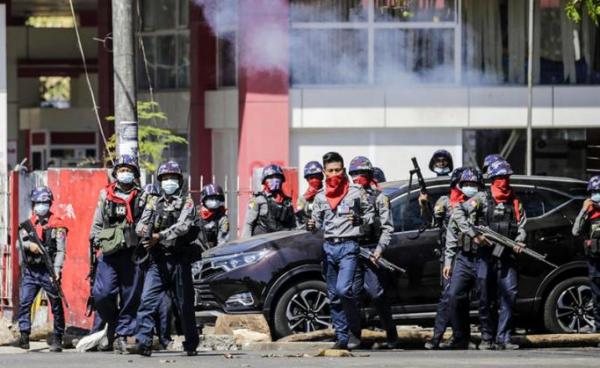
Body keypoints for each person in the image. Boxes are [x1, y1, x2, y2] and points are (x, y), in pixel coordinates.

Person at [449, 161, 526, 350]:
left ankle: (504, 338)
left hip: (507, 256)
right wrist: (473, 234)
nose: (504, 181)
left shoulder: (515, 200)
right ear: (492, 179)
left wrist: (520, 240)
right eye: (500, 178)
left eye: (507, 177)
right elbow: (458, 212)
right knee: (485, 297)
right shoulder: (481, 198)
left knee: (510, 295)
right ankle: (487, 337)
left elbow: (522, 225)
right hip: (486, 256)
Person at [128, 161, 199, 357]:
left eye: (172, 178)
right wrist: (145, 231)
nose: (169, 182)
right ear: (160, 181)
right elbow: (140, 225)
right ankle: (144, 342)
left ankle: (191, 343)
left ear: (179, 180)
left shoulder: (187, 202)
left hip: (179, 260)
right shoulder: (153, 202)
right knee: (146, 301)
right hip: (157, 261)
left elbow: (183, 226)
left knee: (184, 304)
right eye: (165, 178)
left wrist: (159, 236)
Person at [307, 152, 374, 350]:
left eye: (338, 170)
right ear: (324, 172)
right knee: (334, 294)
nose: (334, 174)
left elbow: (371, 216)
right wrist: (311, 225)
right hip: (329, 247)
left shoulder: (355, 192)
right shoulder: (320, 197)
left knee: (345, 290)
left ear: (343, 170)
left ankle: (355, 330)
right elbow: (318, 223)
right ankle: (342, 336)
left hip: (349, 246)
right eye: (330, 171)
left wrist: (360, 220)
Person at [89, 154, 143, 352]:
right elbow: (97, 222)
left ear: (135, 173)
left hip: (132, 253)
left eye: (129, 170)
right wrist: (95, 243)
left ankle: (122, 334)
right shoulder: (105, 195)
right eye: (122, 170)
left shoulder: (142, 196)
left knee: (130, 296)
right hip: (109, 253)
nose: (125, 173)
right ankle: (113, 323)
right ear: (116, 173)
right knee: (101, 294)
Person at [348, 156, 397, 348]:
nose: (355, 178)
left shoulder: (380, 197)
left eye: (359, 174)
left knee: (377, 293)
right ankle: (354, 335)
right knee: (351, 293)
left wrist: (379, 250)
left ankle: (390, 332)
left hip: (370, 250)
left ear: (368, 174)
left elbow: (387, 228)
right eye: (352, 174)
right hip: (352, 248)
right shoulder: (347, 196)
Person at [17, 187, 67, 352]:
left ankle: (58, 336)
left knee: (56, 304)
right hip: (31, 271)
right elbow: (18, 243)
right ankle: (24, 335)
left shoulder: (57, 225)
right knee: (25, 302)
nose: (41, 206)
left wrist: (57, 270)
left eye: (45, 202)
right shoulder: (29, 224)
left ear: (50, 203)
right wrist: (29, 245)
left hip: (48, 270)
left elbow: (60, 250)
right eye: (38, 202)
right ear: (33, 204)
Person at [424, 167, 466, 350]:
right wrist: (424, 204)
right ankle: (438, 337)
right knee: (448, 296)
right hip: (450, 254)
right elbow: (431, 223)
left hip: (469, 254)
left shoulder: (473, 201)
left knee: (459, 297)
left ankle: (460, 337)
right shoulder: (444, 201)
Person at [572, 175, 600, 343]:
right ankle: (598, 328)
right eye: (594, 192)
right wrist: (584, 210)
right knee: (597, 297)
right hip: (595, 261)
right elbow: (575, 232)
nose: (597, 195)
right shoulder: (589, 212)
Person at [242, 164, 296, 237]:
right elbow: (249, 224)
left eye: (278, 177)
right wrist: (247, 243)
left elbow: (293, 225)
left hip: (282, 242)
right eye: (271, 177)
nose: (275, 180)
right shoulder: (258, 200)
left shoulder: (287, 202)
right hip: (262, 242)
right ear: (264, 181)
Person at [197, 184, 230, 250]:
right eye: (211, 198)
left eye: (216, 198)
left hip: (212, 253)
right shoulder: (195, 214)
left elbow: (222, 241)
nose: (214, 201)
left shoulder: (222, 218)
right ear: (204, 199)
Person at [296, 161, 324, 227]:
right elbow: (299, 218)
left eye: (317, 177)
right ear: (307, 179)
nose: (314, 180)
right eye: (311, 178)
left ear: (321, 177)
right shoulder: (302, 199)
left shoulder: (328, 194)